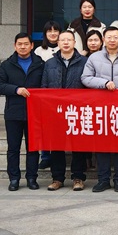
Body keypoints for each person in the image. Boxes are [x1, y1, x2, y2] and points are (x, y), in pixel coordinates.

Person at [81, 27, 118, 192]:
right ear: (103, 39)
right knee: (101, 145)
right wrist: (103, 84)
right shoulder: (94, 57)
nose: (112, 40)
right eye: (109, 37)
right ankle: (103, 180)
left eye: (115, 37)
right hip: (100, 107)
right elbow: (85, 78)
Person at [0, 32, 44, 191]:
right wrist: (16, 89)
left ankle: (31, 178)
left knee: (33, 148)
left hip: (34, 113)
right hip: (13, 112)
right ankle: (14, 179)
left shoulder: (40, 64)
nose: (23, 47)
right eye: (19, 44)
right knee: (13, 148)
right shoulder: (7, 65)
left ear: (32, 46)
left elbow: (46, 86)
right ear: (15, 46)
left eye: (26, 44)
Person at [40, 30, 89, 192]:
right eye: (63, 40)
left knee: (79, 145)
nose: (66, 43)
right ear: (58, 43)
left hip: (78, 110)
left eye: (69, 40)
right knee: (56, 145)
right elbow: (44, 86)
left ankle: (78, 177)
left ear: (75, 42)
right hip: (56, 111)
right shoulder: (50, 63)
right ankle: (57, 178)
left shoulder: (84, 62)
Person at [34, 20, 61, 169]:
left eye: (55, 30)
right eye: (49, 31)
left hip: (61, 94)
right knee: (45, 127)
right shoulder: (39, 51)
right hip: (45, 94)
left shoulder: (64, 47)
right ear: (45, 34)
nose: (53, 33)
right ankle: (45, 156)